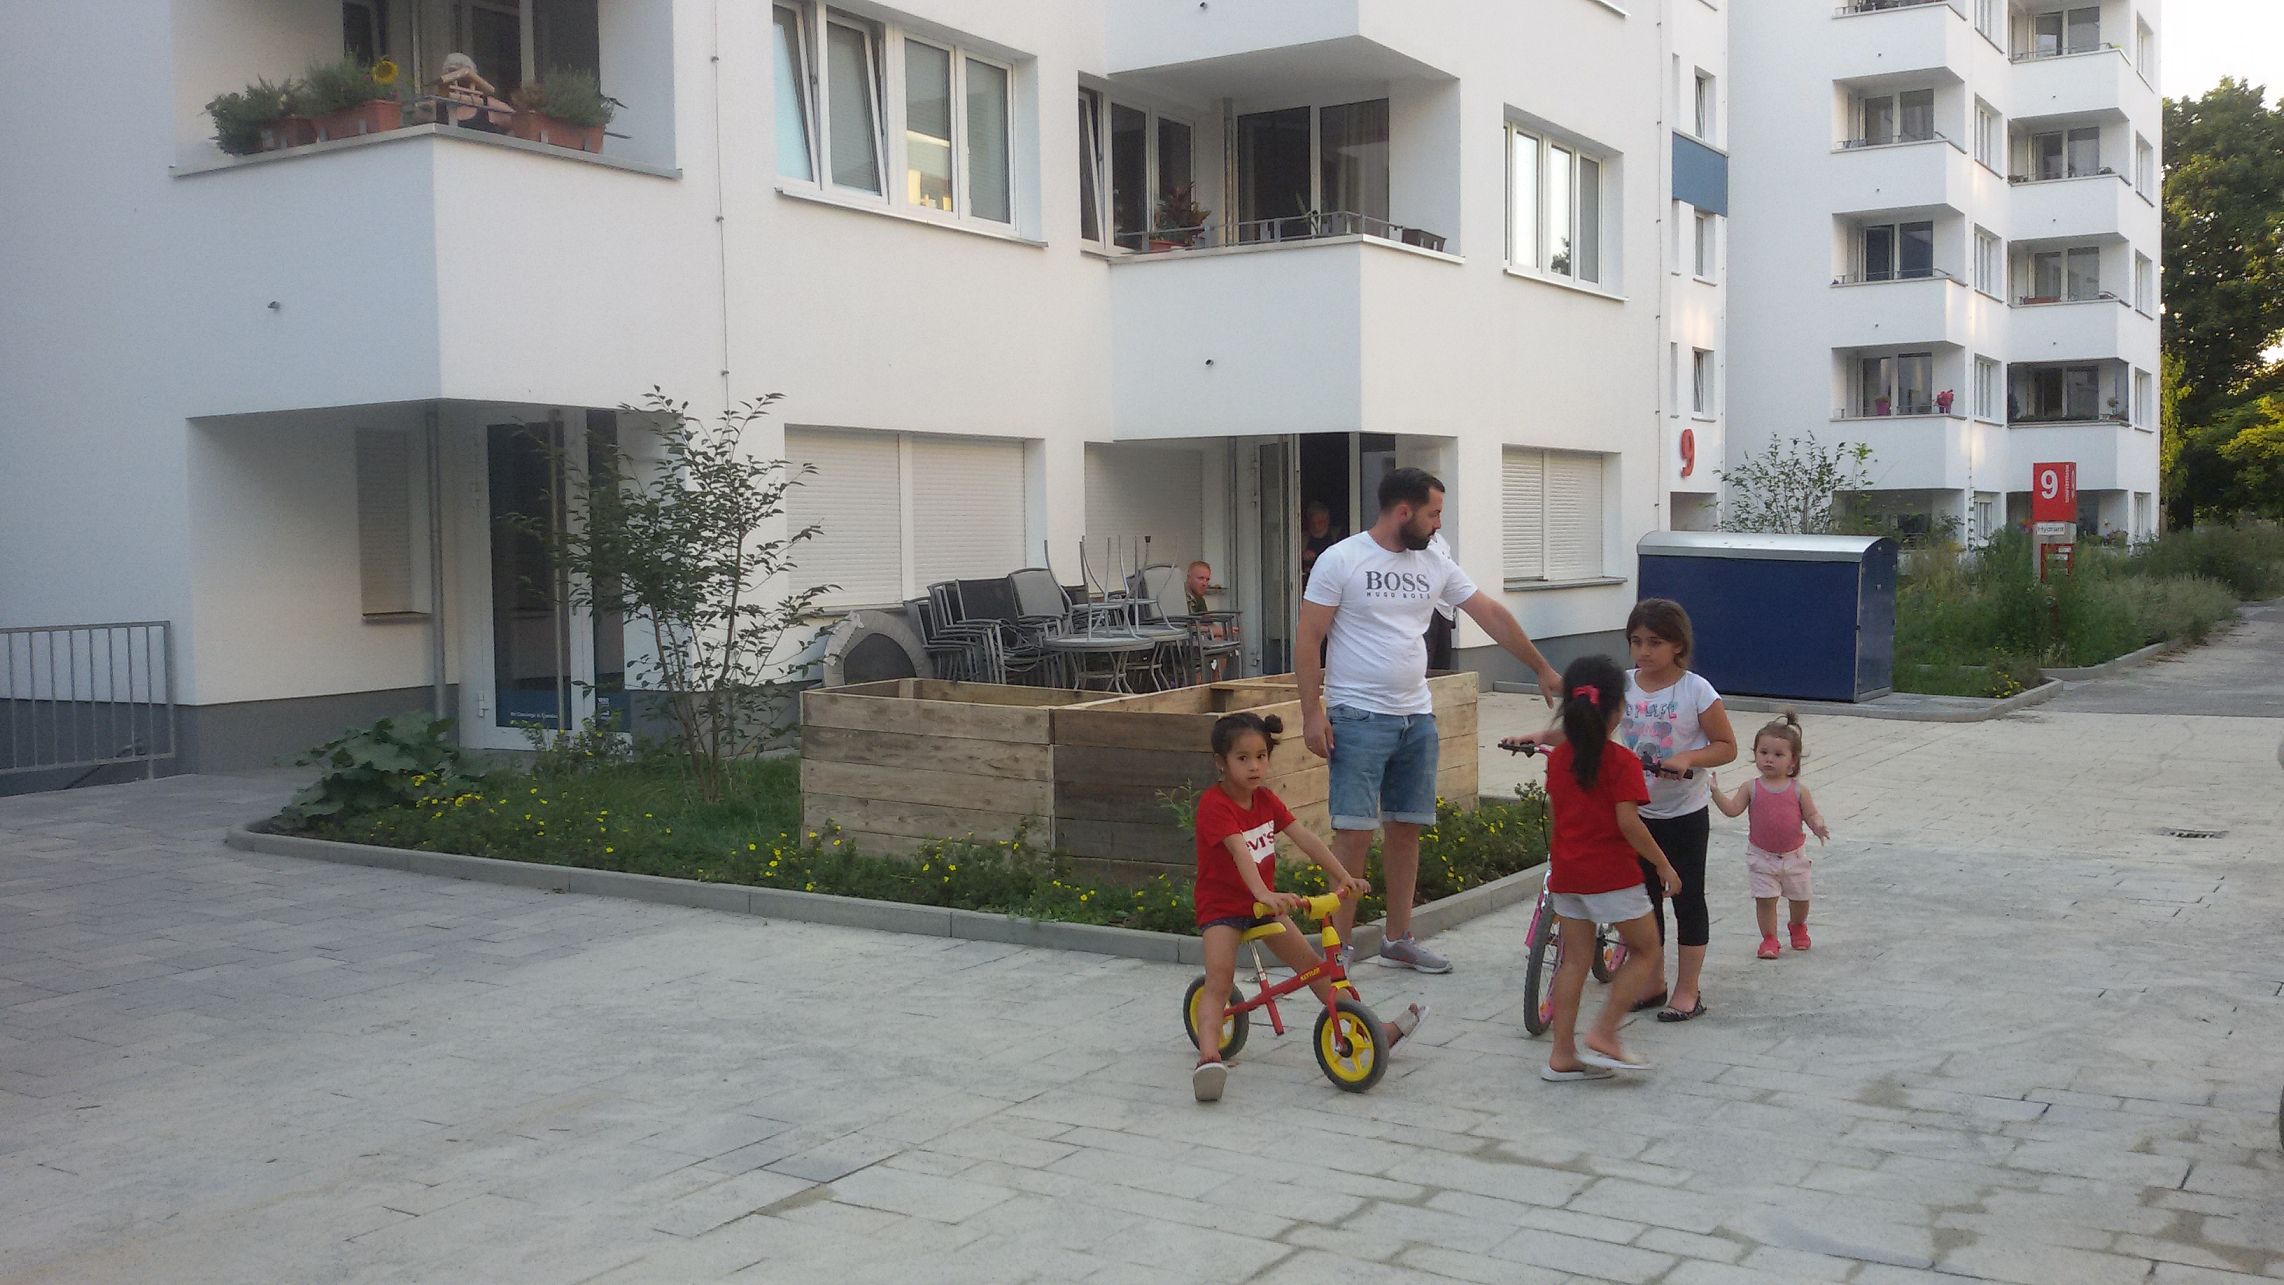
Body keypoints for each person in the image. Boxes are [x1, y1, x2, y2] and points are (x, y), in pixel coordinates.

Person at [1298, 467, 1564, 974]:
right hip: (1357, 716)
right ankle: (1338, 948)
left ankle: (1399, 938)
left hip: (1416, 716)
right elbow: (1309, 637)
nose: (1439, 523)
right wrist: (1312, 713)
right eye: (1434, 513)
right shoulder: (1342, 559)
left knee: (1407, 828)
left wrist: (1541, 668)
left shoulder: (1435, 559)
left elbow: (1489, 613)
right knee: (1353, 834)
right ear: (1404, 511)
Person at [1189, 712, 1428, 1102]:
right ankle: (1209, 1057)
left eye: (1261, 756)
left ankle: (1372, 1029)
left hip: (1264, 904)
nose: (1254, 766)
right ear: (1221, 762)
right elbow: (1239, 853)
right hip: (1222, 908)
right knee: (1218, 981)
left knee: (1316, 968)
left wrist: (1344, 876)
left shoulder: (1266, 800)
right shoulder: (1215, 805)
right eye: (1242, 758)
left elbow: (1306, 838)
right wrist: (1262, 893)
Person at [1534, 655, 1680, 1080]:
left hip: (1568, 875)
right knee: (1647, 949)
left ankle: (1562, 1055)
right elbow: (1628, 823)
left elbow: (1558, 814)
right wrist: (1663, 864)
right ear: (1617, 710)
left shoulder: (1559, 758)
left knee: (1574, 962)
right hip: (1612, 875)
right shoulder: (1622, 762)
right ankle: (1604, 1032)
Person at [1617, 599, 1737, 1023]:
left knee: (1687, 899)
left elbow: (1726, 746)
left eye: (1655, 642)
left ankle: (1688, 990)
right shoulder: (1622, 685)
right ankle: (1652, 981)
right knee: (1643, 901)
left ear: (1678, 646)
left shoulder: (1696, 690)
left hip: (1684, 814)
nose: (1644, 651)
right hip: (1637, 814)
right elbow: (1592, 726)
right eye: (1636, 641)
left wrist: (1688, 758)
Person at [1711, 712, 1830, 960]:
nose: (1769, 759)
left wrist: (1818, 825)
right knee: (1765, 900)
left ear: (1792, 761)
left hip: (1794, 857)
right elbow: (1732, 810)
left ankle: (1797, 925)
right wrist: (1715, 792)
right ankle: (1769, 938)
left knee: (1801, 898)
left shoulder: (1798, 790)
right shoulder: (1750, 787)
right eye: (1763, 752)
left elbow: (1811, 814)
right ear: (1755, 753)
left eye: (1778, 755)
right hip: (1761, 856)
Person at [1184, 560, 1232, 682]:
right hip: (1183, 641)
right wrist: (1215, 631)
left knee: (1221, 642)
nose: (1204, 583)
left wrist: (1223, 631)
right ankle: (1204, 683)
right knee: (1217, 641)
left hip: (1198, 639)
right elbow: (1185, 626)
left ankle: (1215, 684)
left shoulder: (1199, 599)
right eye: (1200, 578)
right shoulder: (1181, 597)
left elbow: (1208, 622)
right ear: (1189, 578)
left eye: (1207, 579)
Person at [1299, 501, 1340, 584]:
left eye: (1320, 522)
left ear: (1327, 520)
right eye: (1313, 522)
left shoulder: (1338, 535)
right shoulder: (1302, 539)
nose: (1316, 526)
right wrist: (1301, 556)